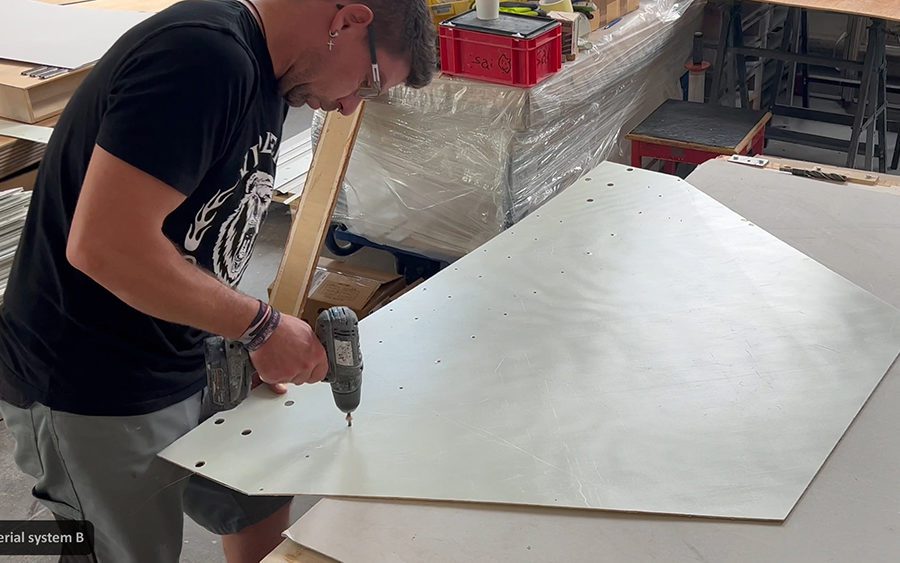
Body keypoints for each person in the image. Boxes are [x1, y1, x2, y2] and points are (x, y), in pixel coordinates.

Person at [0, 0, 435, 561]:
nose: (350, 106)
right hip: (93, 381)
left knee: (257, 488)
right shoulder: (201, 58)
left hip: (185, 350)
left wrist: (236, 332)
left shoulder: (273, 75)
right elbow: (105, 246)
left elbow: (197, 230)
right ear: (347, 21)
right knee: (125, 551)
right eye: (368, 83)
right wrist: (260, 325)